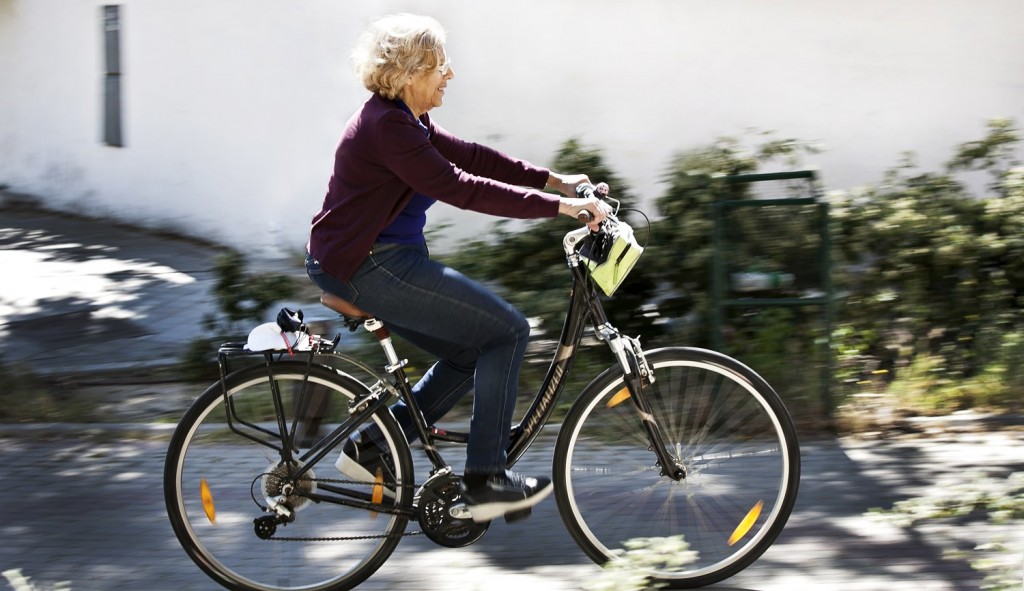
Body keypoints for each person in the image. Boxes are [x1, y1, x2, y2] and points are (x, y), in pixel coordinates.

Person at [305, 13, 607, 523]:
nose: (450, 73)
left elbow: (474, 158)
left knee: (472, 349)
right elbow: (460, 186)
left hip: (373, 260)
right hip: (367, 264)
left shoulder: (405, 121)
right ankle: (486, 479)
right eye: (439, 64)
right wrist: (561, 209)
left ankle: (374, 446)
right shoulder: (387, 127)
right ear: (408, 72)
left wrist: (558, 181)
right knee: (508, 331)